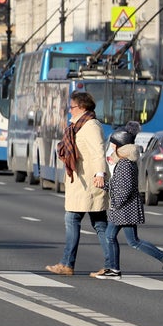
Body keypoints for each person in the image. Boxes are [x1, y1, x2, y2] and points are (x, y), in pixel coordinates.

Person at [96, 121, 163, 280]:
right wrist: (105, 185)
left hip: (123, 208)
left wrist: (115, 204)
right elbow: (118, 185)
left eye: (113, 145)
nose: (111, 148)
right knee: (124, 239)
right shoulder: (124, 162)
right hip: (124, 208)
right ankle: (115, 269)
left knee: (122, 239)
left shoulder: (125, 163)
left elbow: (123, 190)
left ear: (120, 147)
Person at [45, 91, 109, 277]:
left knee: (74, 219)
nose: (70, 111)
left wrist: (99, 173)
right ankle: (111, 264)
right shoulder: (78, 125)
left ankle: (67, 263)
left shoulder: (90, 126)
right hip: (82, 183)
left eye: (72, 107)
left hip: (88, 183)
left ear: (81, 107)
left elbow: (98, 151)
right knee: (100, 224)